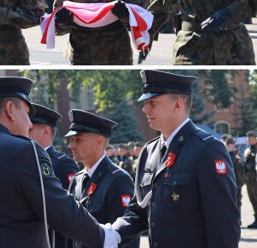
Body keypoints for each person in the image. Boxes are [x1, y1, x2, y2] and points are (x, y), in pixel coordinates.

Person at [0, 76, 120, 248]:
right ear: (10, 109)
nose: (29, 124)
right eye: (26, 114)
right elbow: (61, 210)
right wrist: (103, 236)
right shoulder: (22, 150)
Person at [112, 70, 240, 247]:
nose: (145, 108)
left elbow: (223, 224)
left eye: (153, 102)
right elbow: (139, 211)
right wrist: (111, 234)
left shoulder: (206, 149)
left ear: (178, 105)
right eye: (145, 102)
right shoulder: (149, 152)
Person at [66, 109, 138, 248]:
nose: (71, 145)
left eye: (78, 139)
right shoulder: (77, 180)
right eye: (72, 139)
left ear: (99, 141)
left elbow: (125, 238)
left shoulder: (118, 180)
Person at [28, 103, 79, 248]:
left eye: (30, 128)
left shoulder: (62, 164)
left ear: (45, 131)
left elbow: (69, 209)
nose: (25, 130)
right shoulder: (25, 160)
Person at [226, 137, 245, 223]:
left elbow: (240, 174)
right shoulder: (224, 156)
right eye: (227, 145)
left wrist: (239, 186)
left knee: (237, 204)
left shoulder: (236, 158)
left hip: (236, 186)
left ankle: (237, 221)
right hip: (226, 186)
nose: (228, 147)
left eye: (230, 145)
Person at [245, 131, 257, 228]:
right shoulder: (247, 150)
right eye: (247, 138)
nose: (248, 140)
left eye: (250, 138)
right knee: (252, 200)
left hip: (255, 179)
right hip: (249, 180)